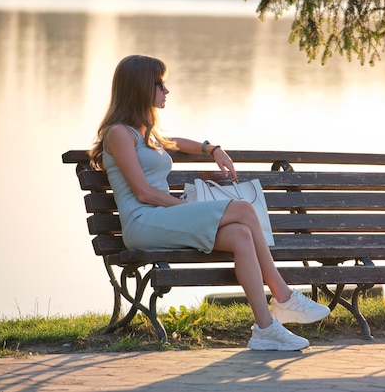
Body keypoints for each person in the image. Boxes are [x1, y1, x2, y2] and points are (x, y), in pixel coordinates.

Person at [89, 54, 330, 351]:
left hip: (164, 220)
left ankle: (265, 328)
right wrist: (189, 211)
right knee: (242, 208)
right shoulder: (118, 134)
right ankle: (283, 295)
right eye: (159, 84)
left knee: (241, 235)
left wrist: (213, 149)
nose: (166, 91)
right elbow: (143, 193)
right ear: (140, 87)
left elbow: (174, 142)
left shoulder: (147, 134)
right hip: (143, 222)